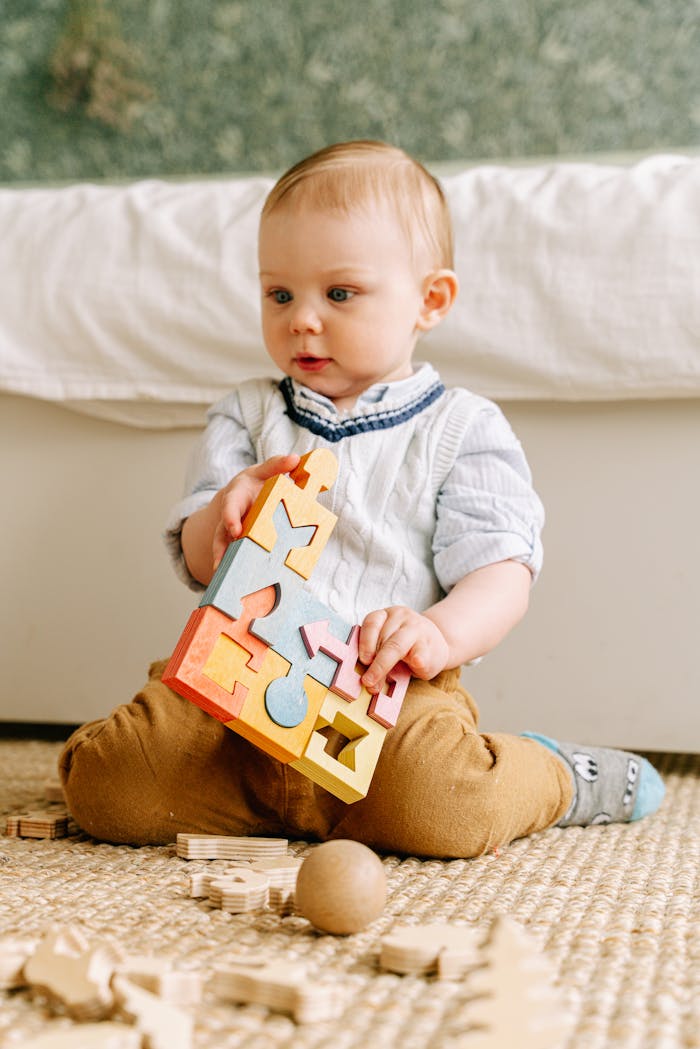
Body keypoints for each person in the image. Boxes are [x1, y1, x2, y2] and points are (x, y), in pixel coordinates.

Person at [59, 141, 664, 857]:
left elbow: (501, 571)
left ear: (429, 300)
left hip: (387, 701)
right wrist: (221, 518)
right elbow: (196, 559)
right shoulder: (248, 415)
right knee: (111, 787)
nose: (302, 320)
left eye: (339, 294)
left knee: (444, 806)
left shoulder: (462, 428)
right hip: (239, 684)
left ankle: (554, 772)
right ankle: (274, 799)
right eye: (279, 294)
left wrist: (437, 633)